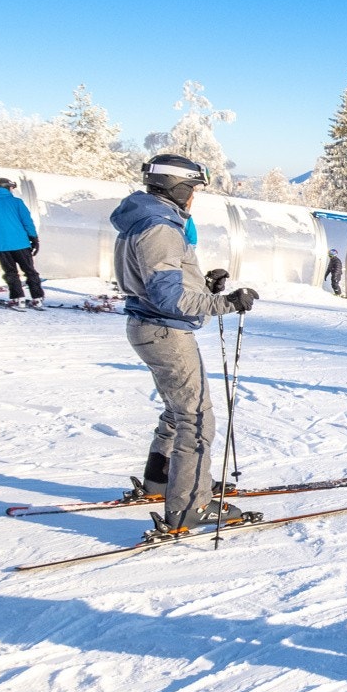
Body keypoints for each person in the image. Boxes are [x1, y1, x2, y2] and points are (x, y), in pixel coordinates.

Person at [111, 154, 259, 540]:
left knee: (179, 413)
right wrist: (226, 303)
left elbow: (164, 287)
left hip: (150, 328)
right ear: (177, 188)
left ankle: (161, 481)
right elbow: (167, 299)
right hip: (165, 332)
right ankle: (189, 505)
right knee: (196, 418)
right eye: (192, 188)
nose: (193, 196)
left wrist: (205, 289)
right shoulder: (159, 227)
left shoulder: (144, 220)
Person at [0, 176, 44, 310]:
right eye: (11, 187)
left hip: (1, 245)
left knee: (10, 272)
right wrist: (34, 238)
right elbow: (27, 221)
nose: (12, 190)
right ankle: (37, 298)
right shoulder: (17, 202)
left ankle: (18, 299)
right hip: (21, 243)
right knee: (30, 271)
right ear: (6, 188)